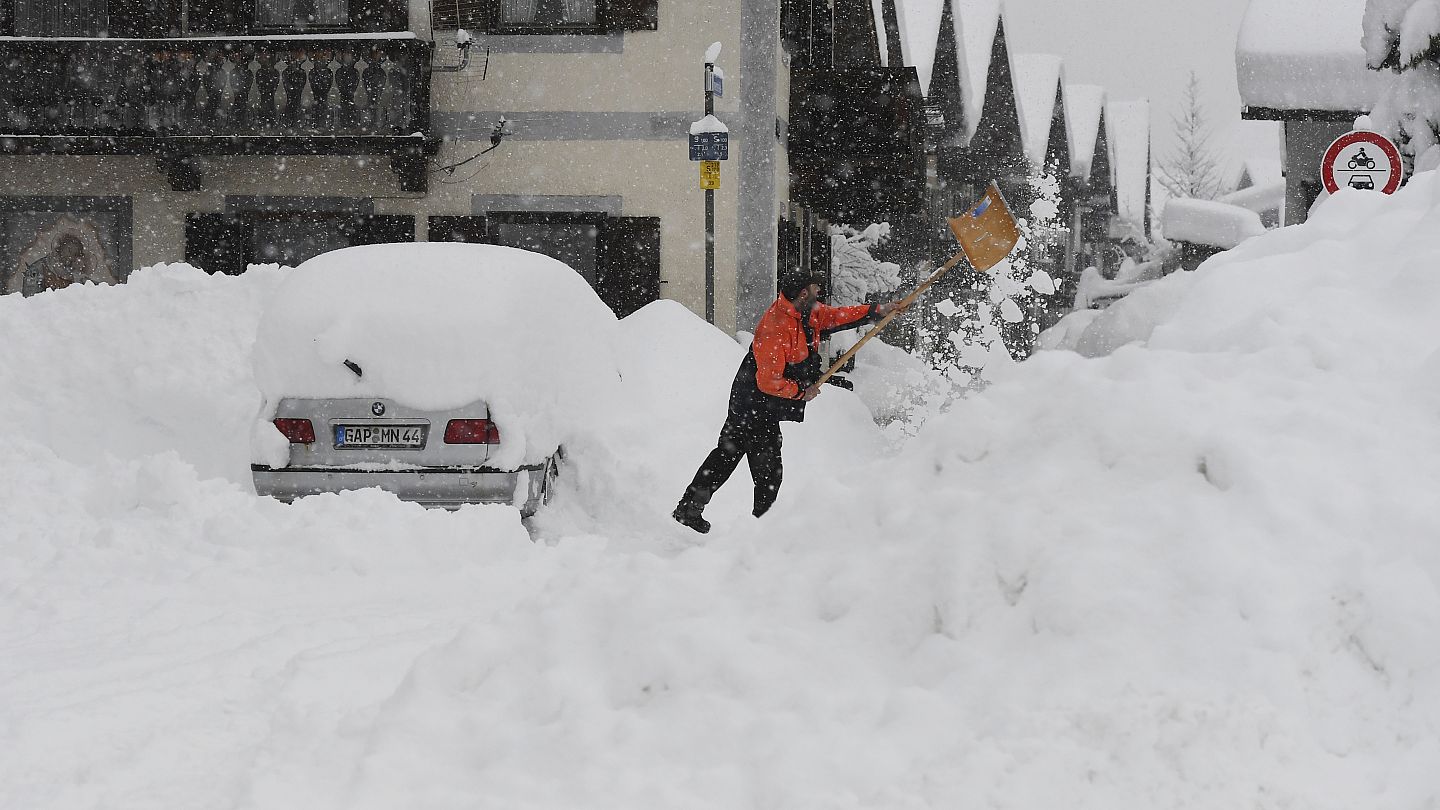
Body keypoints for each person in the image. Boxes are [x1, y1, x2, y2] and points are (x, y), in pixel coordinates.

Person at [672, 273, 901, 533]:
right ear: (804, 293)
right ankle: (764, 527)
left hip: (756, 400)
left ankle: (690, 507)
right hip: (755, 402)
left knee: (728, 454)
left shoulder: (806, 313)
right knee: (768, 470)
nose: (819, 294)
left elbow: (836, 317)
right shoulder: (776, 326)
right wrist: (801, 392)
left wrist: (878, 311)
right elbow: (769, 381)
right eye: (815, 289)